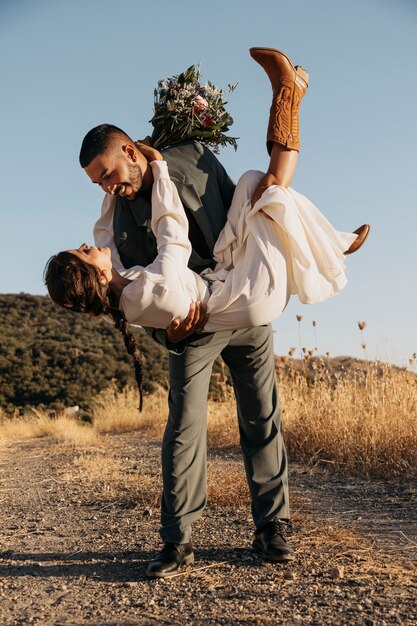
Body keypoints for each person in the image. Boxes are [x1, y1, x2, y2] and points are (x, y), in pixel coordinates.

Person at [45, 48, 369, 578]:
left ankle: (273, 529)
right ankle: (176, 542)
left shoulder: (188, 161)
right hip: (191, 334)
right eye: (99, 184)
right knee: (184, 428)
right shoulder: (118, 217)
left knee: (262, 416)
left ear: (130, 150)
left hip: (241, 298)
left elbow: (225, 222)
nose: (108, 187)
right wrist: (171, 328)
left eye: (108, 174)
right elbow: (125, 297)